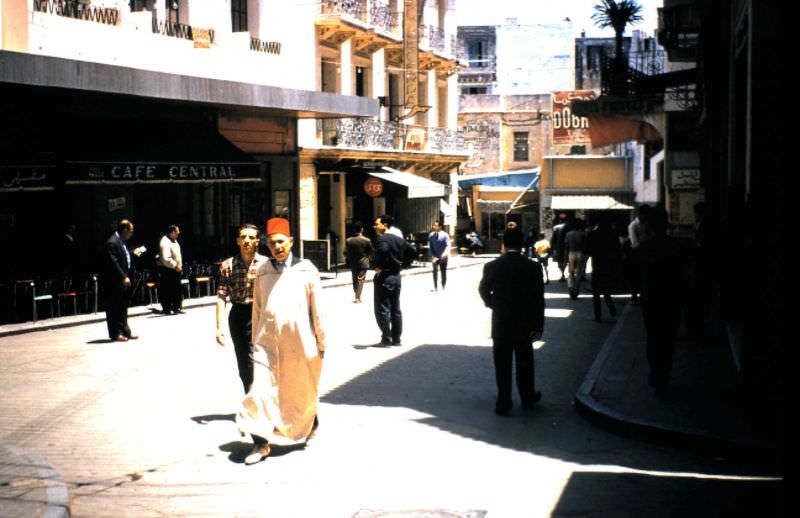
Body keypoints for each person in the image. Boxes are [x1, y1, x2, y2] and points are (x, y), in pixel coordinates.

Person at [236, 217, 328, 465]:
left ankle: (311, 427)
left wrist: (321, 341)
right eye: (272, 243)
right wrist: (255, 341)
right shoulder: (263, 271)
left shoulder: (306, 270)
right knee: (260, 392)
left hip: (300, 344)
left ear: (290, 242)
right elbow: (257, 308)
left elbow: (317, 310)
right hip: (266, 345)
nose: (277, 247)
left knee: (300, 390)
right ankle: (260, 443)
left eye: (281, 242)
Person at [478, 227, 545, 416]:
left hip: (501, 322)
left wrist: (493, 305)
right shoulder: (533, 267)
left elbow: (483, 290)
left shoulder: (492, 266)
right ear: (522, 244)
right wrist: (538, 326)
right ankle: (527, 396)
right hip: (524, 323)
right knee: (525, 361)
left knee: (502, 364)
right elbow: (538, 299)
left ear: (504, 244)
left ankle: (504, 401)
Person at [639, 207, 685, 398]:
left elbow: (631, 275)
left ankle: (656, 372)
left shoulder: (643, 249)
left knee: (654, 338)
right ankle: (663, 374)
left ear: (649, 227)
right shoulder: (679, 246)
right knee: (668, 339)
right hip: (672, 299)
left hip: (651, 300)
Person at [216, 224, 267, 394]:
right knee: (243, 359)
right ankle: (250, 396)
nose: (247, 241)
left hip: (259, 313)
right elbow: (221, 296)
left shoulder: (266, 265)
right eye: (243, 237)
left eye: (251, 238)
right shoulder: (227, 265)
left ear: (257, 241)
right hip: (238, 315)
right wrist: (219, 327)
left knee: (258, 357)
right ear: (238, 241)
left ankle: (260, 397)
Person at [372, 214, 416, 346]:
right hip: (396, 276)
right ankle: (397, 338)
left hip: (385, 276)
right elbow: (412, 251)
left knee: (383, 308)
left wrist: (379, 266)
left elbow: (383, 251)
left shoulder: (383, 240)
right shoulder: (398, 239)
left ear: (385, 225)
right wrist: (404, 264)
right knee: (395, 308)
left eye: (377, 224)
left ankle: (386, 337)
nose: (375, 227)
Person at [103, 219, 145, 342]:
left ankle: (125, 331)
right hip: (115, 281)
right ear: (125, 230)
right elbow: (113, 262)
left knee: (123, 307)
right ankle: (116, 333)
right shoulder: (112, 242)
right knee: (114, 308)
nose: (131, 234)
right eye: (131, 231)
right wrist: (123, 276)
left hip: (123, 279)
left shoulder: (122, 242)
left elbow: (124, 256)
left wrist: (133, 253)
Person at [586, 220, 620, 322]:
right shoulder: (613, 235)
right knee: (606, 289)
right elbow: (617, 250)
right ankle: (611, 306)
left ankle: (598, 315)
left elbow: (587, 250)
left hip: (597, 265)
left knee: (596, 293)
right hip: (609, 265)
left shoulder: (592, 235)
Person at [625, 204, 652, 304]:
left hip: (645, 253)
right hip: (635, 254)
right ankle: (634, 296)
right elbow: (634, 243)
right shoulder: (633, 226)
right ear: (641, 214)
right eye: (646, 215)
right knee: (635, 277)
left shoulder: (647, 224)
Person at [343, 221, 373, 303]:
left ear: (354, 230)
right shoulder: (367, 240)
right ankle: (357, 297)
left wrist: (350, 258)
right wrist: (368, 258)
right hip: (363, 262)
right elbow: (371, 251)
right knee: (360, 279)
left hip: (353, 262)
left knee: (354, 279)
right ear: (362, 229)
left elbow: (345, 252)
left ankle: (357, 295)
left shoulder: (349, 240)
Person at [157, 224, 183, 315]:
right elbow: (166, 258)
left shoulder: (174, 240)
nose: (179, 233)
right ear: (172, 232)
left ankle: (176, 307)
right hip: (168, 269)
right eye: (177, 231)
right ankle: (168, 308)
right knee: (168, 289)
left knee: (176, 289)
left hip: (176, 269)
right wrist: (175, 265)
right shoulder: (165, 242)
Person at [565, 219, 588, 299]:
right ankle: (577, 289)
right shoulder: (583, 234)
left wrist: (565, 258)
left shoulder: (568, 234)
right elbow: (585, 246)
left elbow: (566, 247)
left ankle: (571, 287)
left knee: (571, 273)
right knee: (578, 273)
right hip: (580, 253)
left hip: (571, 253)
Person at [428, 221, 450, 291]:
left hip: (443, 257)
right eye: (434, 225)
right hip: (435, 256)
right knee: (435, 271)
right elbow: (429, 246)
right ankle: (435, 286)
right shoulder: (431, 235)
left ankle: (443, 285)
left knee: (443, 271)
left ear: (440, 227)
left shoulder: (445, 235)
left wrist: (445, 253)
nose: (434, 227)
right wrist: (432, 255)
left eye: (436, 225)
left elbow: (448, 245)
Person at [551, 212, 571, 282]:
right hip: (567, 247)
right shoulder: (569, 227)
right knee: (565, 261)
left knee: (559, 262)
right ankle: (563, 273)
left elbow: (553, 239)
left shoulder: (555, 227)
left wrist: (552, 248)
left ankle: (562, 274)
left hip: (558, 247)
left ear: (559, 220)